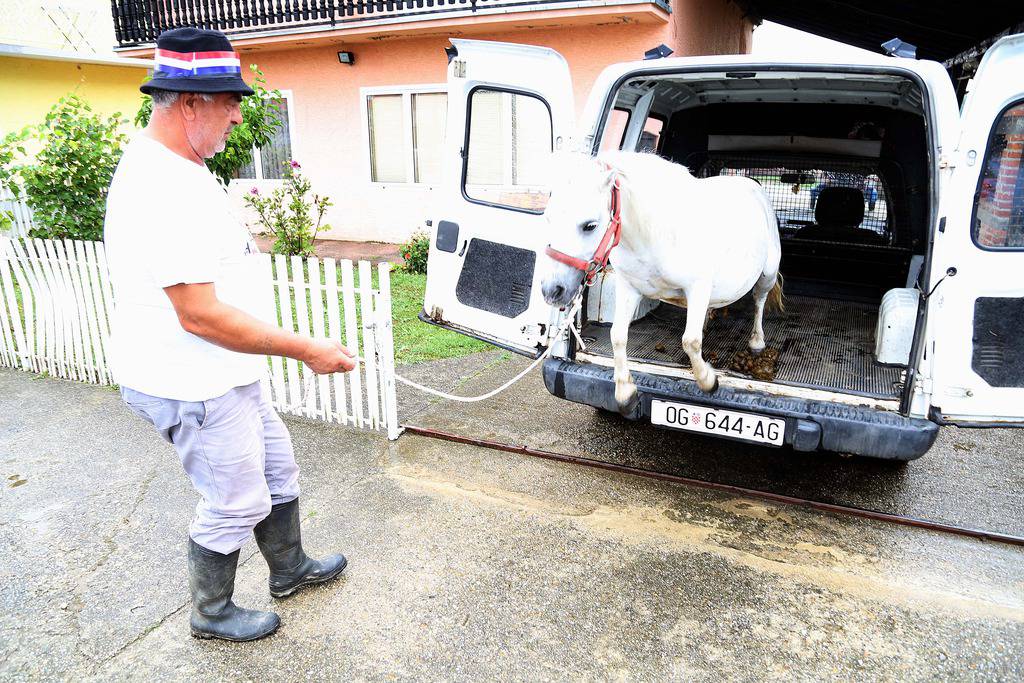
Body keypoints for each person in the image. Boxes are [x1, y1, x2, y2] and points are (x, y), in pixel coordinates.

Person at [104, 27, 356, 642]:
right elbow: (199, 314)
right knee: (235, 501)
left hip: (226, 370)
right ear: (190, 103)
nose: (239, 115)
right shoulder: (159, 185)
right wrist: (305, 349)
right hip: (190, 379)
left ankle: (289, 568)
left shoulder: (184, 170)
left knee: (279, 471)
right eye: (230, 101)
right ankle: (211, 613)